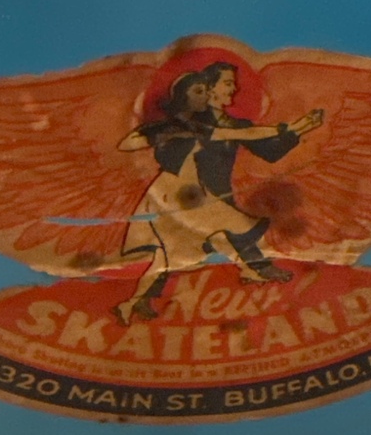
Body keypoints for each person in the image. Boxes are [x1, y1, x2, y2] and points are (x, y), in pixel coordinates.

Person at [114, 71, 304, 324]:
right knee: (230, 225)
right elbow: (127, 143)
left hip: (194, 194)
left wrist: (288, 129)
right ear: (182, 96)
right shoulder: (169, 125)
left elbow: (243, 134)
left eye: (206, 90)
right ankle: (252, 268)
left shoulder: (201, 128)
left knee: (171, 257)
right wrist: (164, 135)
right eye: (199, 91)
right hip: (171, 196)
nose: (206, 95)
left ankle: (131, 303)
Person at [194, 61, 324, 281]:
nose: (234, 89)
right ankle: (257, 268)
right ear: (210, 87)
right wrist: (294, 127)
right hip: (190, 194)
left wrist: (302, 129)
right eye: (228, 83)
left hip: (220, 193)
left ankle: (254, 268)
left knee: (236, 228)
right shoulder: (193, 121)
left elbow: (270, 152)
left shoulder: (235, 125)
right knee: (235, 228)